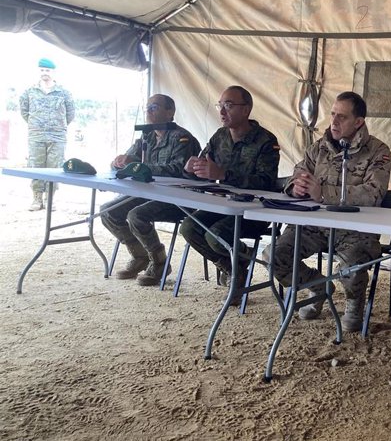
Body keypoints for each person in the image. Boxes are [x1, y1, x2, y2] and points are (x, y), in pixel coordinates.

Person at [267, 91, 391, 332]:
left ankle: (354, 302)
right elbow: (297, 174)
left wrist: (324, 192)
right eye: (333, 114)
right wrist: (297, 187)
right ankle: (317, 287)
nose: (333, 121)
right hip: (313, 225)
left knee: (352, 266)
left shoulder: (378, 151)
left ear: (359, 122)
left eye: (342, 117)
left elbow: (373, 193)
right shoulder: (318, 148)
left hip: (355, 230)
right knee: (274, 255)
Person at [179, 85, 280, 295]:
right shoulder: (220, 136)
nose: (222, 111)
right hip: (222, 204)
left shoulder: (266, 141)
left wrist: (223, 174)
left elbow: (266, 182)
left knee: (215, 235)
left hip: (254, 211)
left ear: (246, 110)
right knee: (188, 227)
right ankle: (234, 266)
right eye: (220, 105)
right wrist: (192, 168)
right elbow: (204, 165)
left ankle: (239, 263)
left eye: (229, 105)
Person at [100, 94, 201, 286]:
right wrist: (119, 163)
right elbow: (129, 161)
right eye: (147, 107)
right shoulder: (147, 136)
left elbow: (178, 171)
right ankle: (140, 255)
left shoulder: (182, 138)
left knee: (136, 215)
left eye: (154, 107)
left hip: (177, 197)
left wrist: (137, 165)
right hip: (148, 194)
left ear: (170, 112)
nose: (148, 111)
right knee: (108, 211)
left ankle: (159, 261)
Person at [19, 58, 75, 211]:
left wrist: (57, 126)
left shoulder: (63, 92)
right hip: (36, 135)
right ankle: (36, 198)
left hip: (57, 136)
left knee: (55, 167)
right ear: (39, 71)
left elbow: (70, 114)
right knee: (35, 166)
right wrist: (36, 124)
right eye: (42, 70)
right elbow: (24, 112)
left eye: (47, 70)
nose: (44, 73)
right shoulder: (29, 92)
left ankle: (50, 198)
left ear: (53, 72)